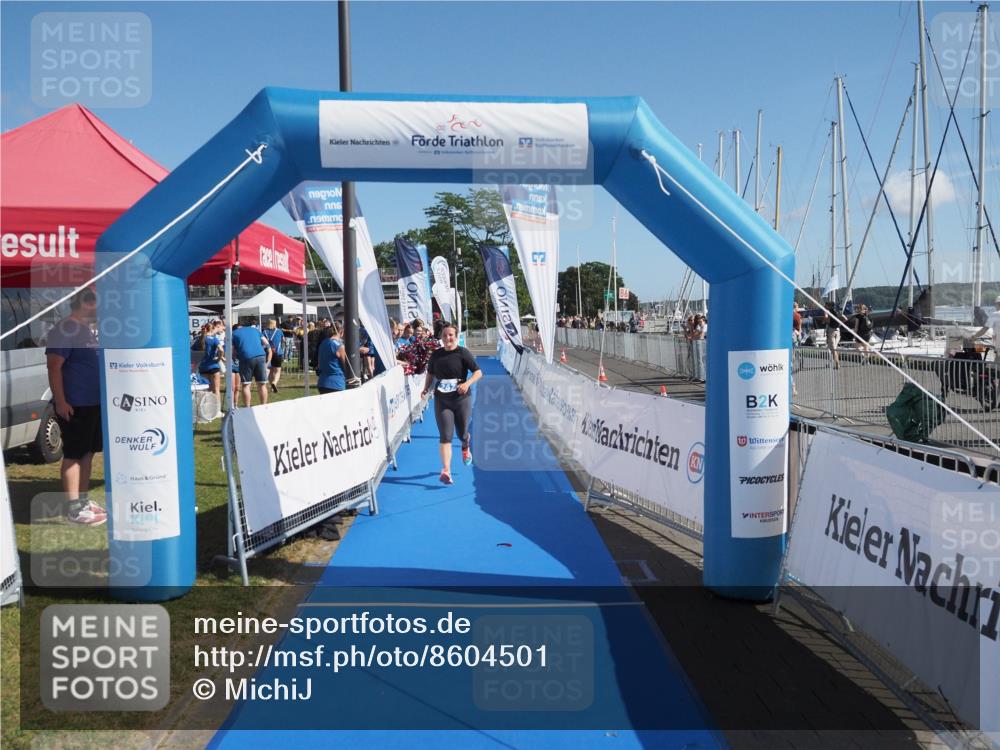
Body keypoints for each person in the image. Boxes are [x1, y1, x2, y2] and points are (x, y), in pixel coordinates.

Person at [45, 289, 107, 525]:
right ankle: (73, 508)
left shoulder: (84, 330)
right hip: (75, 404)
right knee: (74, 454)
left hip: (92, 403)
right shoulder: (65, 329)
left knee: (88, 453)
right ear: (88, 303)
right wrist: (61, 401)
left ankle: (82, 501)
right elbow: (54, 367)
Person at [422, 323, 482, 484]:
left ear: (456, 336)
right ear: (441, 337)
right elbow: (431, 373)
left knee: (462, 433)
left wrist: (467, 383)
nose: (448, 338)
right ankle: (446, 470)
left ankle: (465, 445)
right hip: (442, 399)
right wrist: (426, 388)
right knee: (445, 436)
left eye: (451, 335)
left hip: (462, 399)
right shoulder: (436, 355)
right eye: (444, 335)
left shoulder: (463, 353)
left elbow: (478, 372)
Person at [231, 319, 271, 406]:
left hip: (246, 357)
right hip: (261, 356)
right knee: (262, 384)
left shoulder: (234, 334)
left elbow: (232, 351)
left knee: (246, 385)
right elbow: (266, 344)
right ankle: (264, 406)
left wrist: (236, 357)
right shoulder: (255, 330)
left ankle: (247, 408)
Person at [316, 322, 347, 394]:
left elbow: (319, 363)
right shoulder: (339, 346)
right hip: (336, 383)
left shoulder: (323, 343)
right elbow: (346, 366)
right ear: (341, 332)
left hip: (322, 383)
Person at [196, 321, 224, 399]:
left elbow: (193, 351)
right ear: (212, 329)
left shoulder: (200, 339)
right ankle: (217, 410)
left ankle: (207, 409)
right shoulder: (214, 339)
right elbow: (221, 350)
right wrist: (218, 358)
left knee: (206, 391)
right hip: (213, 366)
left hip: (203, 367)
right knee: (216, 390)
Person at [263, 318, 284, 393]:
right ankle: (274, 383)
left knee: (271, 370)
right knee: (277, 370)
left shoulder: (264, 332)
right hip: (277, 353)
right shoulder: (279, 331)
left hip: (268, 353)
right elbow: (283, 340)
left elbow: (262, 342)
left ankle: (271, 387)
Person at [824, 303, 844, 369]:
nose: (825, 306)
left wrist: (825, 315)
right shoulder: (838, 311)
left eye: (826, 305)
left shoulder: (830, 312)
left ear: (830, 306)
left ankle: (837, 364)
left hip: (831, 331)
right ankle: (834, 363)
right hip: (838, 331)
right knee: (833, 348)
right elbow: (845, 319)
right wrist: (838, 324)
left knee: (833, 348)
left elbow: (827, 320)